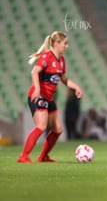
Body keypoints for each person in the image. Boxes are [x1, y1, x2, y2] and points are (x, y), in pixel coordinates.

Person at [17, 31, 83, 163]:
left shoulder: (62, 60)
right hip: (39, 96)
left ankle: (43, 157)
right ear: (57, 43)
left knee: (58, 129)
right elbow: (35, 71)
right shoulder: (47, 56)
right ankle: (23, 156)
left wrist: (75, 87)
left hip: (49, 98)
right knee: (41, 126)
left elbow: (63, 79)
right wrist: (37, 88)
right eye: (65, 43)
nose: (66, 46)